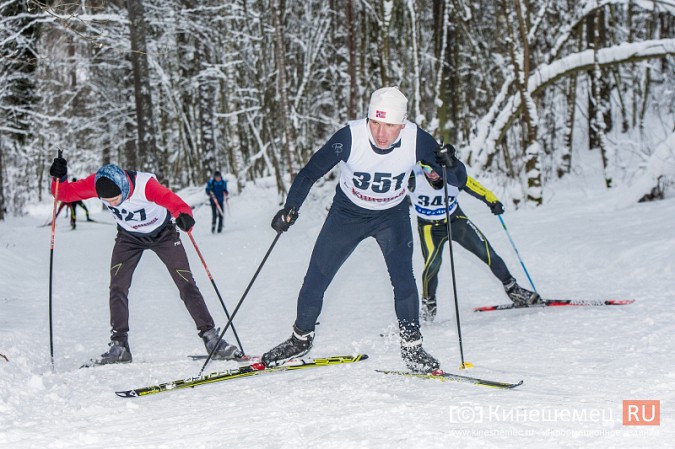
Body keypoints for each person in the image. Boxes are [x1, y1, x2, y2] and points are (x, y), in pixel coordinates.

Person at [261, 87, 467, 373]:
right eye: (376, 123)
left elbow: (457, 179)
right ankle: (300, 339)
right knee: (316, 277)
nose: (381, 134)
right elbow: (310, 172)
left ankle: (412, 349)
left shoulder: (417, 140)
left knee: (404, 281)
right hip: (347, 214)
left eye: (390, 126)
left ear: (403, 124)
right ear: (367, 119)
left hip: (391, 216)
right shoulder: (350, 137)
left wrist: (451, 163)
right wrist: (290, 208)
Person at [48, 159, 243, 365]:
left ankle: (212, 339)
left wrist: (184, 215)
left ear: (124, 188)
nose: (113, 204)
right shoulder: (97, 183)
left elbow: (173, 201)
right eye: (108, 201)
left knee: (185, 283)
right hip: (129, 237)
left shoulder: (145, 185)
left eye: (116, 199)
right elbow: (64, 194)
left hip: (163, 234)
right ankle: (120, 346)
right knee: (118, 287)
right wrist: (58, 178)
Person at [409, 163, 541, 321]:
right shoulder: (414, 177)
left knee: (487, 252)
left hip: (456, 221)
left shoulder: (452, 173)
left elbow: (475, 186)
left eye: (435, 169)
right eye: (426, 169)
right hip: (429, 227)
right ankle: (428, 306)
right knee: (432, 264)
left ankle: (514, 290)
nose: (432, 174)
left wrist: (492, 201)